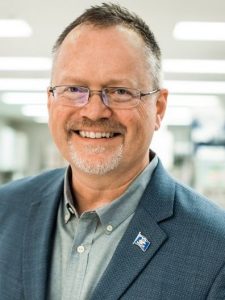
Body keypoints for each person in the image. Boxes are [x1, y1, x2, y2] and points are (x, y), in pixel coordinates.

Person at [0, 3, 225, 300]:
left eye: (120, 91)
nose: (94, 111)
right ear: (50, 100)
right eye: (74, 88)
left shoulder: (215, 248)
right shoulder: (6, 210)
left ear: (158, 108)